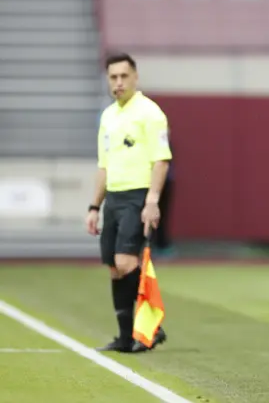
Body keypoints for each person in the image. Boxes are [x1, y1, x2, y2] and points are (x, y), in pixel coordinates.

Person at [85, 52, 171, 353]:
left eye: (124, 76)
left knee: (126, 262)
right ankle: (124, 337)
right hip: (115, 199)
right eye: (113, 77)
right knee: (113, 266)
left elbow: (161, 161)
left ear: (135, 77)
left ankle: (152, 322)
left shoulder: (150, 113)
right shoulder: (108, 116)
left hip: (138, 196)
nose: (118, 82)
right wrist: (94, 207)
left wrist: (152, 201)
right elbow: (103, 165)